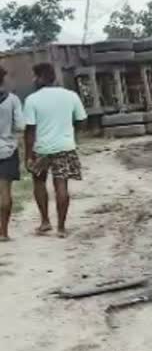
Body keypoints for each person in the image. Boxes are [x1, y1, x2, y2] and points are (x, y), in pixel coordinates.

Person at [24, 63, 88, 238]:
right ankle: (61, 228)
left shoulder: (32, 99)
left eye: (34, 76)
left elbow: (30, 130)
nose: (33, 80)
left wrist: (28, 155)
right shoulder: (71, 96)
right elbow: (82, 120)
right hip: (65, 147)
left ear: (39, 78)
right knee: (61, 185)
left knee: (39, 183)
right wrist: (71, 133)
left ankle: (45, 222)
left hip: (41, 149)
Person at [0, 66, 25, 242]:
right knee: (5, 192)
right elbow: (20, 126)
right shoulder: (13, 99)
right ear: (3, 79)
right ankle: (3, 232)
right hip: (7, 150)